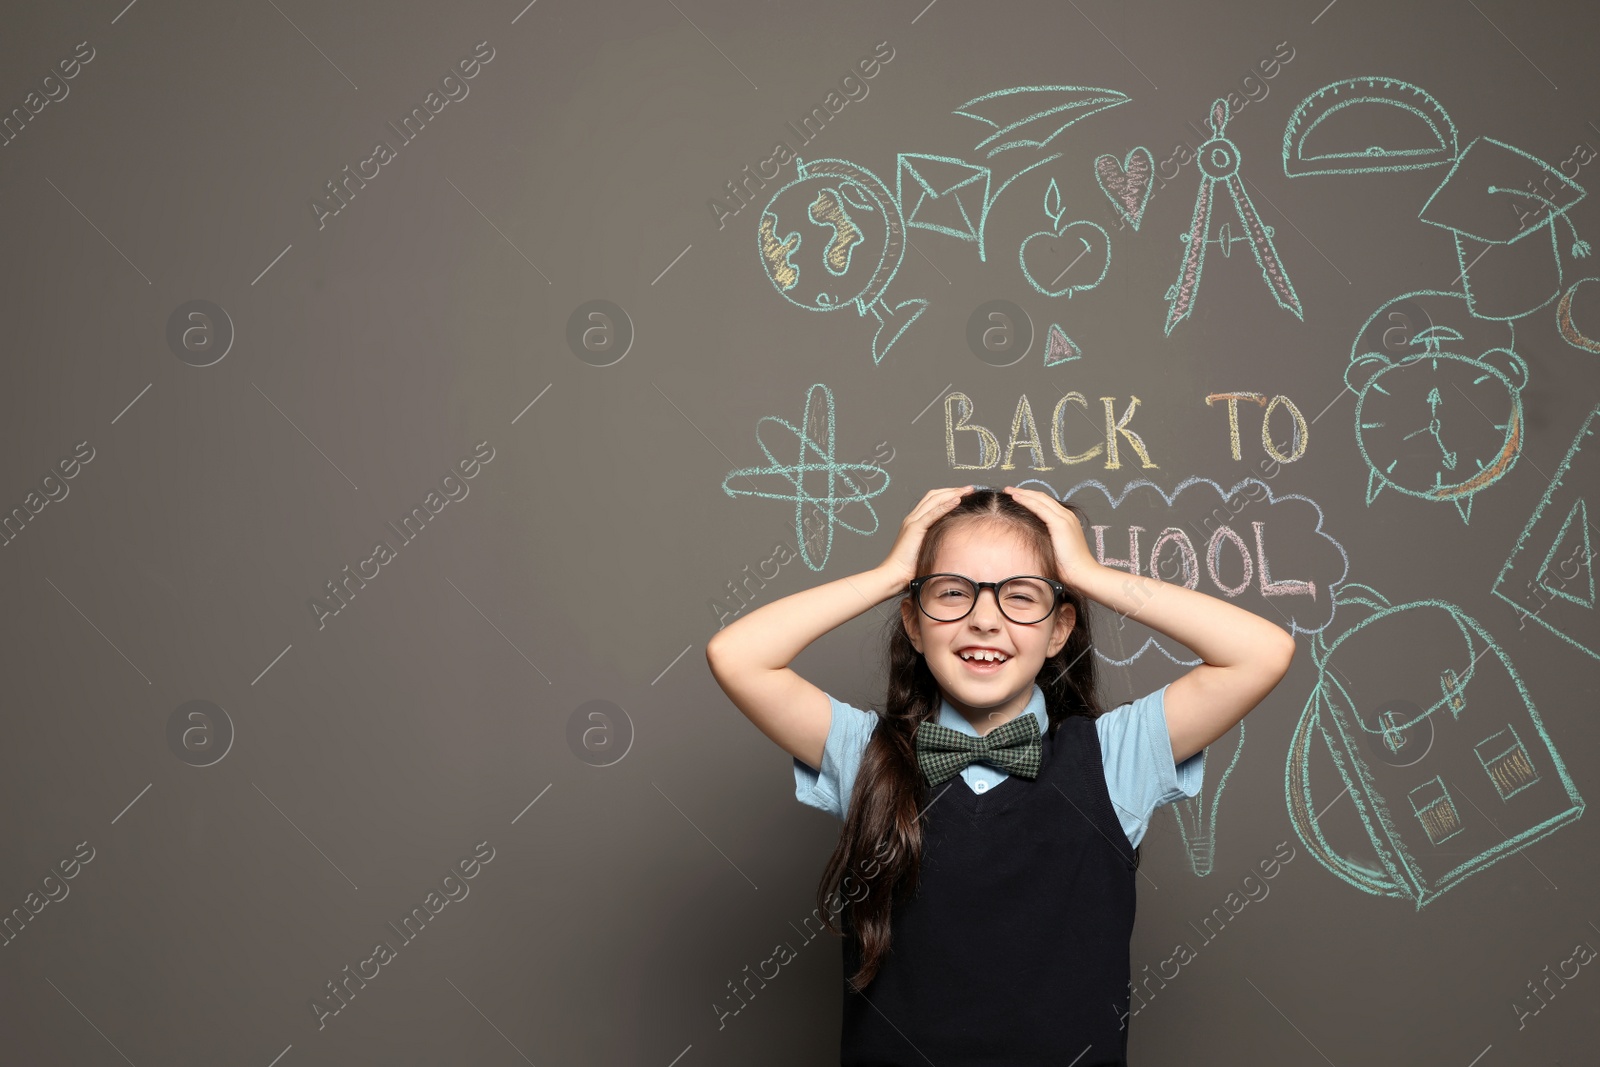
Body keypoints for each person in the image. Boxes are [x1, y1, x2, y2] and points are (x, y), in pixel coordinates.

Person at [705, 485, 1295, 1065]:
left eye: (1020, 595)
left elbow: (1260, 651)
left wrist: (1087, 573)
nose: (985, 620)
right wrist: (890, 574)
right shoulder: (867, 753)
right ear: (913, 623)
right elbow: (738, 655)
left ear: (1059, 629)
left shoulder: (1117, 757)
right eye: (953, 592)